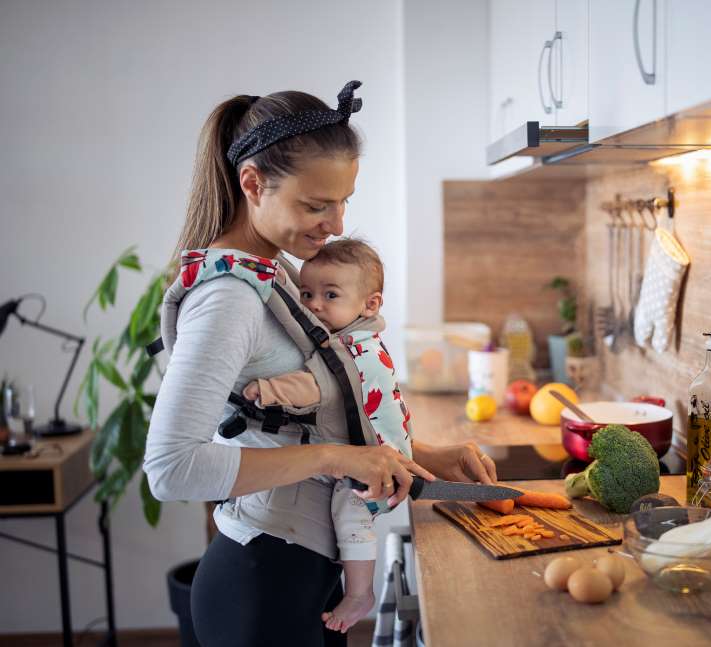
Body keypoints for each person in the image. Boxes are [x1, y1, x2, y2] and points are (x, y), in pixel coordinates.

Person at [143, 81, 498, 647]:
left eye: (343, 202)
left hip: (299, 573)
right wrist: (340, 457)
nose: (335, 223)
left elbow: (317, 419)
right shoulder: (230, 297)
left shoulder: (279, 273)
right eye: (316, 205)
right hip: (261, 584)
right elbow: (171, 469)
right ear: (253, 184)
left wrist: (422, 454)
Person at [241, 237, 410, 634]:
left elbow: (314, 386)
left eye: (330, 294)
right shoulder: (359, 337)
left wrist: (266, 390)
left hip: (379, 464)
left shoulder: (353, 350)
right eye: (307, 293)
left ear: (370, 304)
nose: (314, 304)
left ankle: (360, 592)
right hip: (384, 448)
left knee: (349, 510)